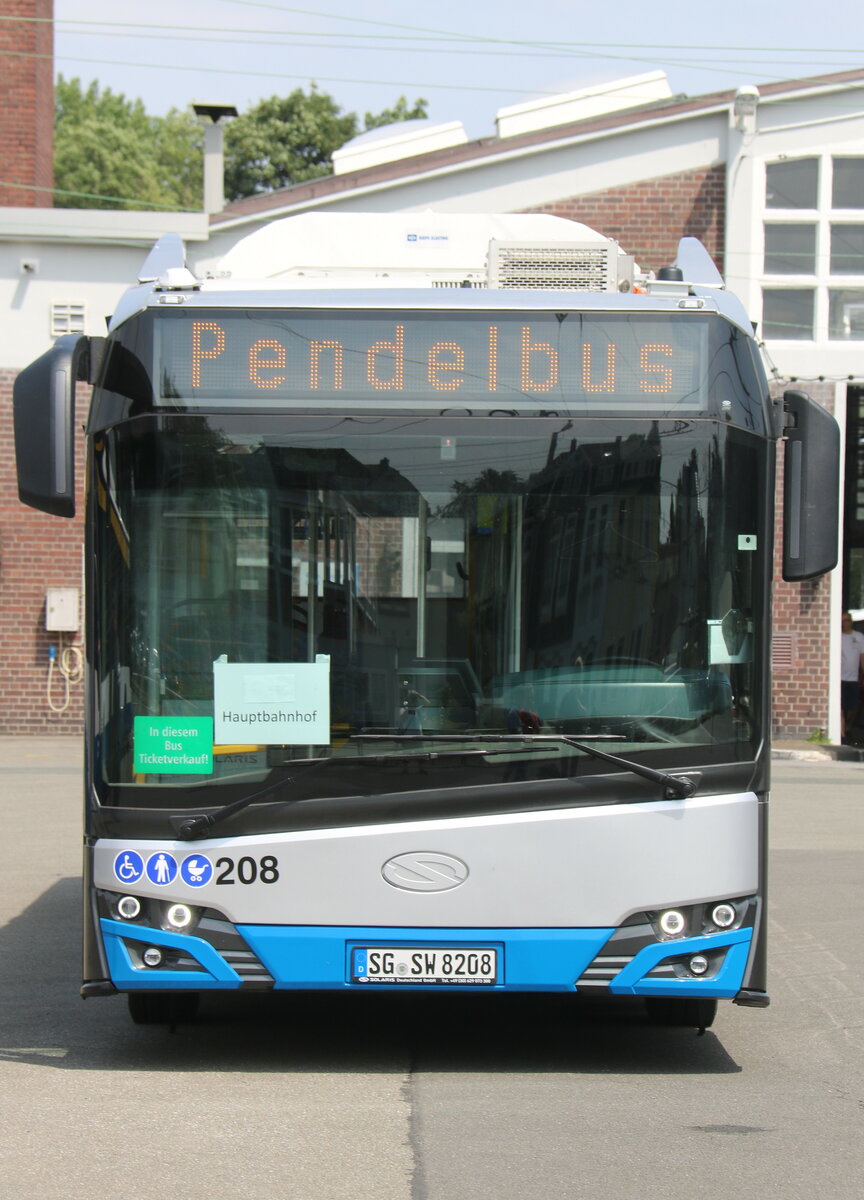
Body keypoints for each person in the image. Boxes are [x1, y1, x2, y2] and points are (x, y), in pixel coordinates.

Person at [840, 611, 864, 742]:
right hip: (840, 678)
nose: (844, 624)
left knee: (853, 707)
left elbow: (862, 657)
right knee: (841, 707)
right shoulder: (837, 637)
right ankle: (843, 734)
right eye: (842, 621)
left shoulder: (859, 637)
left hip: (854, 678)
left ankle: (848, 727)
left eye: (846, 620)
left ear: (851, 622)